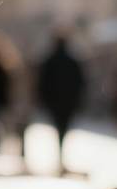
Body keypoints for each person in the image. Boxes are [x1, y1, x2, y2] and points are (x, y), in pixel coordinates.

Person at [36, 29, 86, 171]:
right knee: (63, 128)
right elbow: (80, 83)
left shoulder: (49, 61)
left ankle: (60, 154)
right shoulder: (72, 61)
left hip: (55, 102)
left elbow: (42, 83)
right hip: (68, 102)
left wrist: (44, 99)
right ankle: (61, 154)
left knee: (59, 127)